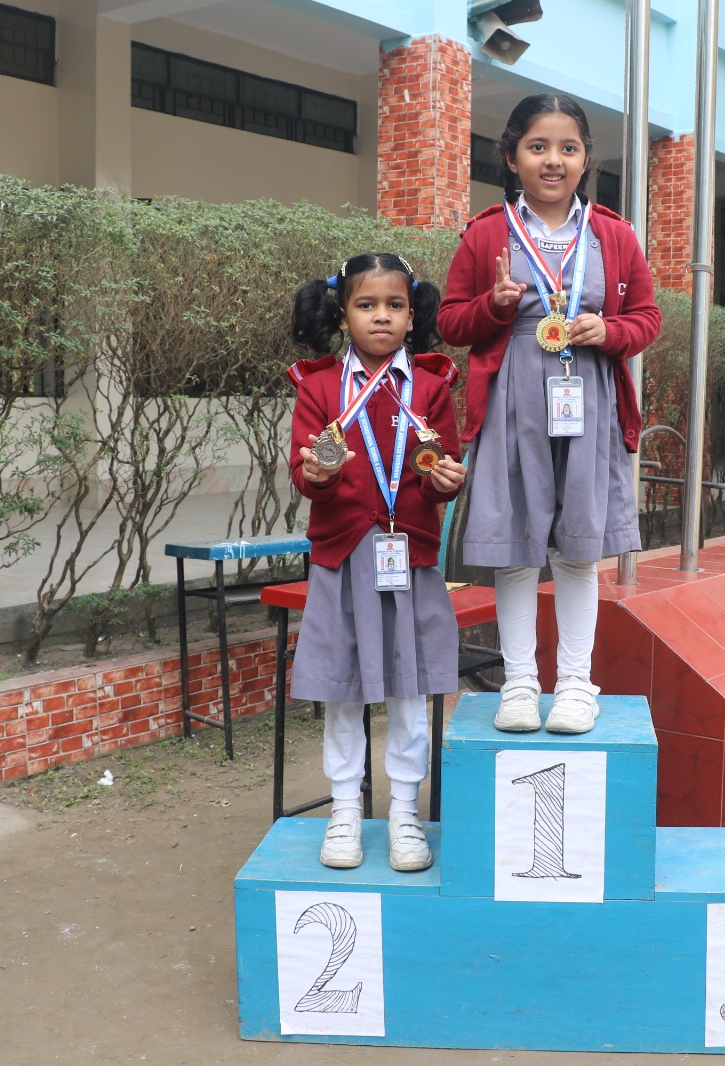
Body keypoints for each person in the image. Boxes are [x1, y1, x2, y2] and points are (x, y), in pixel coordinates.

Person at [437, 93, 662, 735]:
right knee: (515, 547)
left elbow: (647, 318)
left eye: (568, 148)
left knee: (577, 549)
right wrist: (495, 306)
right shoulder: (486, 232)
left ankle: (574, 685)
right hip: (512, 400)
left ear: (586, 159)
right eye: (538, 147)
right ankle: (517, 684)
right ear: (512, 157)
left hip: (585, 397)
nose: (553, 160)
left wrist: (608, 331)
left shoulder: (613, 234)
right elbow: (450, 322)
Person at [287, 252, 468, 871]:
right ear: (343, 316)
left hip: (407, 558)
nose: (382, 316)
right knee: (342, 689)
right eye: (366, 305)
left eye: (395, 305)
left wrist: (448, 480)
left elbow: (444, 465)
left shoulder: (431, 387)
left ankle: (405, 814)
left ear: (413, 316)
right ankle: (344, 809)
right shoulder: (317, 388)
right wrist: (317, 473)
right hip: (341, 558)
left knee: (409, 691)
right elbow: (304, 473)